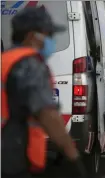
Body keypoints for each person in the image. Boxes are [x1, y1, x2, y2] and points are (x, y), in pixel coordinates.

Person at [1, 7, 87, 178]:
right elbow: (48, 114)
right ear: (32, 36)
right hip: (16, 156)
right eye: (48, 35)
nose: (51, 40)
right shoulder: (30, 66)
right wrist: (72, 156)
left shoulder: (5, 60)